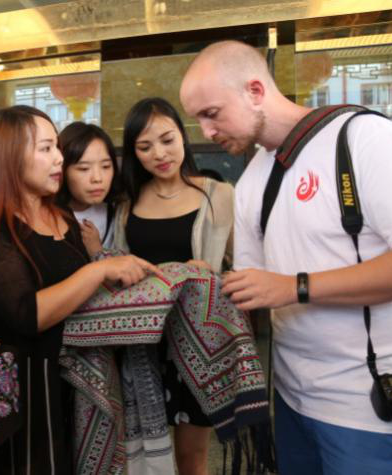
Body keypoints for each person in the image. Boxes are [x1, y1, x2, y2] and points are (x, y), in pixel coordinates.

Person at [180, 40, 392, 475]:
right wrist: (206, 284)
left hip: (369, 406)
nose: (206, 132)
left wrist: (295, 286)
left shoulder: (364, 138)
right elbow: (258, 286)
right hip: (292, 400)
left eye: (212, 113)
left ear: (255, 90)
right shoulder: (253, 178)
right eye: (198, 119)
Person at [0, 105, 161, 475]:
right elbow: (27, 314)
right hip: (21, 393)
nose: (59, 158)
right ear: (10, 156)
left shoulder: (62, 216)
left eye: (57, 148)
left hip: (74, 383)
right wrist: (98, 270)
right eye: (46, 148)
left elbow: (81, 293)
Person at [111, 97, 234, 475]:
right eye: (144, 147)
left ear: (183, 135)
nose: (159, 154)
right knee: (141, 456)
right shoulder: (127, 203)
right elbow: (118, 270)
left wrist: (211, 275)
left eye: (167, 140)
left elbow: (246, 270)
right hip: (141, 346)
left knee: (192, 459)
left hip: (197, 347)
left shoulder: (219, 195)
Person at [57, 121, 122, 256]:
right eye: (84, 168)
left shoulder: (117, 212)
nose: (97, 178)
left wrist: (97, 251)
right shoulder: (47, 217)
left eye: (105, 166)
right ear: (62, 170)